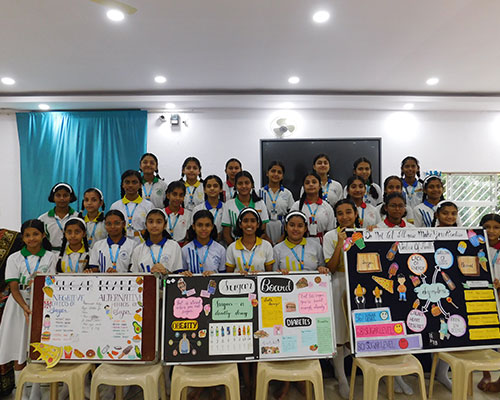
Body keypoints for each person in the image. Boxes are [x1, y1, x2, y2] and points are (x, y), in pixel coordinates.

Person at [0, 220, 56, 400]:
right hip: (18, 306)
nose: (32, 238)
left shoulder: (51, 257)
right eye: (27, 235)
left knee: (37, 350)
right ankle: (21, 392)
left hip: (41, 305)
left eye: (36, 234)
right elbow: (13, 288)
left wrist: (37, 307)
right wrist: (25, 307)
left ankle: (35, 391)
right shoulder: (14, 258)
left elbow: (51, 284)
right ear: (22, 238)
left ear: (43, 236)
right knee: (18, 349)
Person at [323, 199, 360, 399]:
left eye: (348, 212)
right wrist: (340, 242)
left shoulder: (361, 234)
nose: (345, 216)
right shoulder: (330, 236)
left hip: (359, 285)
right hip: (338, 284)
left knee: (354, 332)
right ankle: (341, 377)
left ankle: (350, 368)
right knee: (339, 332)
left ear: (356, 213)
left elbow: (365, 258)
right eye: (340, 213)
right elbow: (331, 267)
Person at [478, 213, 500, 392]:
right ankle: (485, 374)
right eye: (487, 227)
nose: (491, 231)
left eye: (496, 227)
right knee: (483, 337)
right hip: (481, 298)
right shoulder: (475, 248)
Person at [222, 171, 269, 245]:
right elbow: (226, 234)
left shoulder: (260, 203)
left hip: (257, 246)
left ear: (252, 184)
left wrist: (254, 247)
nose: (244, 186)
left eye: (247, 183)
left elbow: (262, 231)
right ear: (235, 186)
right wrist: (235, 248)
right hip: (235, 246)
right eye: (240, 183)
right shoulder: (228, 205)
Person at [130, 209, 182, 275]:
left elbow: (178, 274)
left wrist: (166, 272)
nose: (154, 225)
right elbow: (135, 276)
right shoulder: (138, 250)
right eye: (151, 222)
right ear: (146, 224)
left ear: (165, 225)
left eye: (159, 222)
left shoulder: (174, 246)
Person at [290, 172, 334, 245]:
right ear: (303, 187)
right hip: (301, 242)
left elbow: (330, 230)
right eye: (307, 183)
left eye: (314, 182)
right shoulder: (297, 206)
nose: (311, 185)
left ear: (319, 186)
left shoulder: (327, 206)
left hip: (322, 243)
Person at [225, 208, 274, 273]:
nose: (249, 224)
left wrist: (260, 274)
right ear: (240, 225)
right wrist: (238, 275)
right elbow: (229, 274)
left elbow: (269, 272)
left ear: (258, 224)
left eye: (253, 221)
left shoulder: (266, 246)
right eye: (245, 221)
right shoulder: (232, 248)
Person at [110, 170, 153, 242]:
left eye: (134, 182)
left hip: (142, 242)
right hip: (120, 242)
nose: (130, 185)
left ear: (140, 185)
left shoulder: (148, 206)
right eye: (127, 182)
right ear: (123, 185)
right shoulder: (115, 206)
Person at [181, 210, 226, 275]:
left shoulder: (220, 249)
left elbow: (223, 275)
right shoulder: (185, 250)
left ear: (212, 227)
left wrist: (214, 274)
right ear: (193, 227)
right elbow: (182, 273)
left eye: (207, 225)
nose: (204, 229)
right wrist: (185, 273)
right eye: (200, 225)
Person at [259, 161, 294, 245]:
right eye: (273, 171)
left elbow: (292, 215)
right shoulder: (260, 193)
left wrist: (284, 236)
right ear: (267, 173)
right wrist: (264, 235)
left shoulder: (287, 193)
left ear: (282, 176)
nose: (276, 174)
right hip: (264, 227)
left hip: (282, 228)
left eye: (279, 172)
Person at [38, 182, 79, 251]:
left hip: (72, 253)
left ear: (71, 197)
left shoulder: (77, 217)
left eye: (65, 195)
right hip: (50, 253)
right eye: (58, 195)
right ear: (53, 197)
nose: (62, 198)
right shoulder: (43, 218)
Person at [191, 175, 224, 241]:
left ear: (221, 189)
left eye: (215, 186)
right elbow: (194, 228)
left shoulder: (226, 208)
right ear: (204, 190)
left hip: (222, 243)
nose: (212, 188)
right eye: (209, 186)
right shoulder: (197, 209)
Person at [164, 181, 191, 245]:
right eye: (174, 194)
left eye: (181, 195)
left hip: (182, 246)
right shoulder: (161, 213)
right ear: (168, 195)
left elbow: (189, 235)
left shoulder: (189, 214)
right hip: (164, 246)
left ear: (184, 197)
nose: (178, 198)